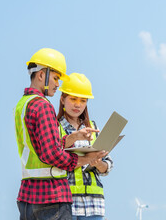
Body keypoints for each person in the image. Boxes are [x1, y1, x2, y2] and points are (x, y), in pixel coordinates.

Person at [15, 48, 108, 220]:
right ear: (42, 75)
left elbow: (42, 145)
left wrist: (75, 137)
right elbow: (51, 153)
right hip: (50, 196)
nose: (58, 84)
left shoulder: (23, 104)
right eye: (56, 78)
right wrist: (85, 160)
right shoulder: (43, 106)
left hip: (28, 196)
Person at [56, 73, 113, 220]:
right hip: (66, 205)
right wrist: (74, 138)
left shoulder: (93, 127)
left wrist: (99, 164)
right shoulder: (55, 127)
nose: (78, 104)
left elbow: (108, 165)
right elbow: (53, 155)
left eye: (83, 100)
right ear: (63, 99)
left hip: (94, 205)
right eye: (73, 99)